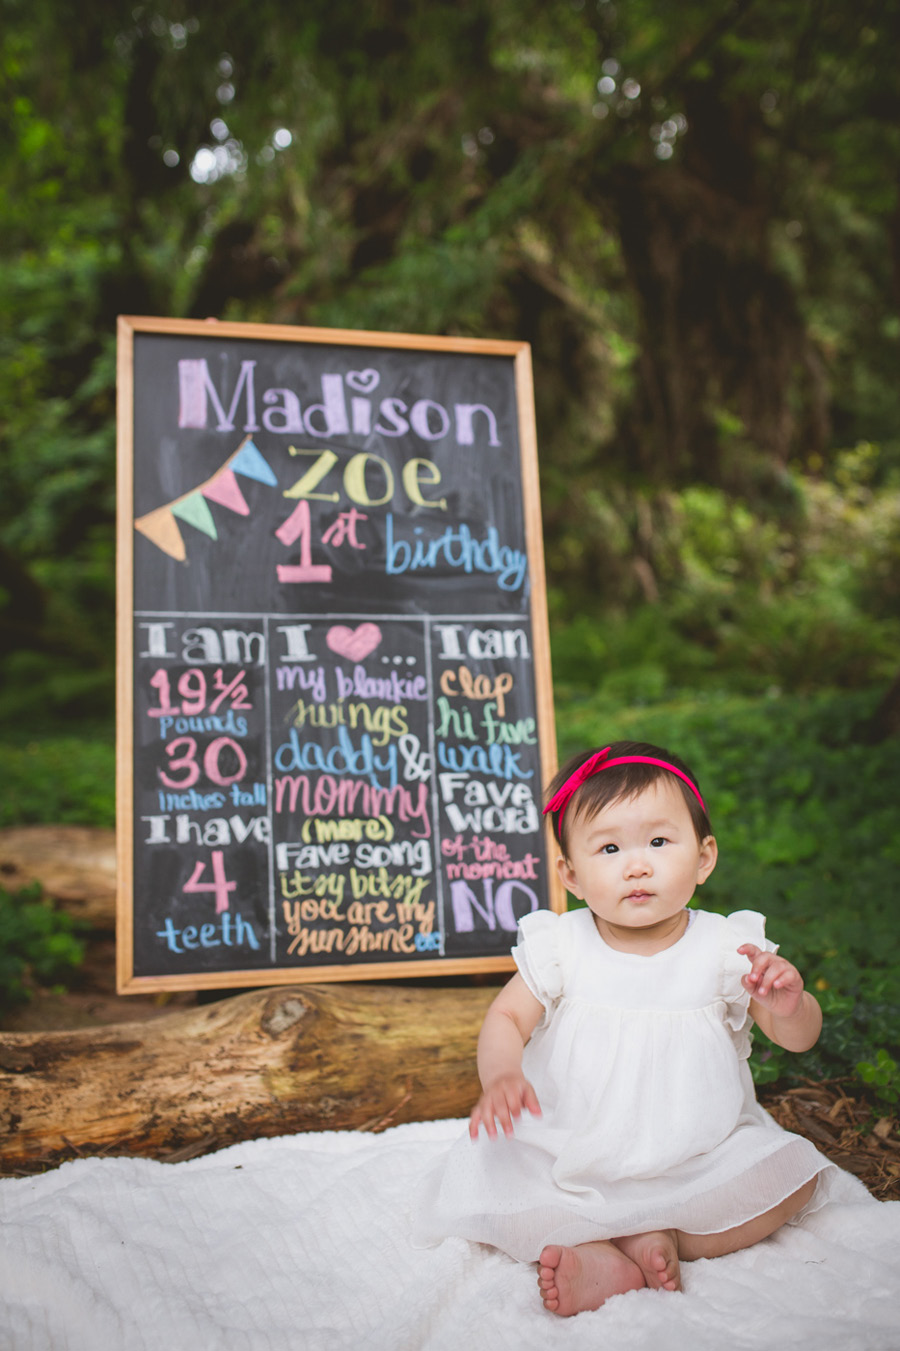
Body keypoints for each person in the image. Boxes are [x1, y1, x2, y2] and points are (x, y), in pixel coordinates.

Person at [416, 741, 836, 1316]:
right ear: (571, 874)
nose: (637, 865)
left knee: (791, 1177)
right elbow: (507, 1017)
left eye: (659, 842)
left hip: (695, 1152)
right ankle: (603, 1254)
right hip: (572, 1150)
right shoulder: (564, 945)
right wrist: (502, 1073)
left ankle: (663, 1237)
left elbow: (798, 1038)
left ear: (705, 856)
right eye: (609, 848)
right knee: (498, 1181)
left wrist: (790, 1004)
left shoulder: (727, 948)